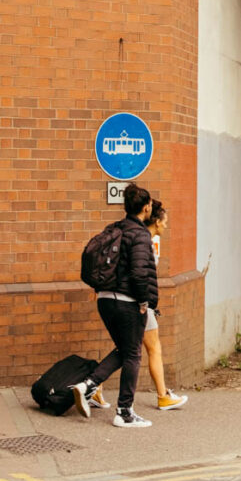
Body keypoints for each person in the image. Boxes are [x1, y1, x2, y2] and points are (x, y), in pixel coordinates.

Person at [72, 182, 156, 427]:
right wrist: (143, 301)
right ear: (146, 207)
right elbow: (140, 273)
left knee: (124, 349)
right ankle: (124, 412)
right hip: (127, 302)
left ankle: (87, 385)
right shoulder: (140, 234)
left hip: (105, 299)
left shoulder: (114, 228)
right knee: (133, 354)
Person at [143, 199, 187, 411]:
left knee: (126, 350)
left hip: (136, 304)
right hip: (141, 305)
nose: (166, 226)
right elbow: (143, 276)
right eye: (165, 221)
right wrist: (146, 303)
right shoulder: (145, 244)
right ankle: (163, 396)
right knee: (153, 348)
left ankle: (94, 384)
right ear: (157, 222)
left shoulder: (146, 241)